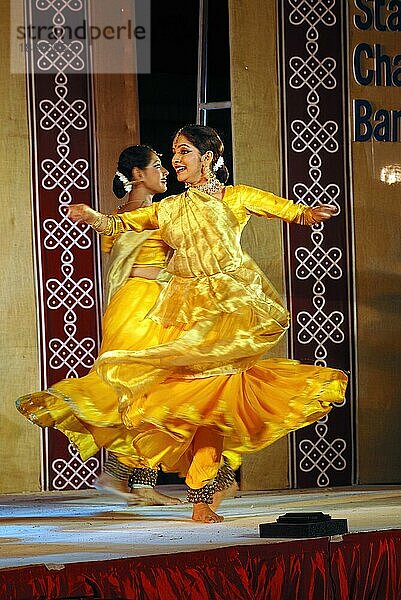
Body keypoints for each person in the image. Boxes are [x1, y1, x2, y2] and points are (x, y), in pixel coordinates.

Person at [66, 124, 348, 524]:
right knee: (197, 402)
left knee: (215, 399)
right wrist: (94, 216)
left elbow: (282, 208)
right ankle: (190, 488)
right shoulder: (169, 207)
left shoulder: (234, 197)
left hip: (228, 306)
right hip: (183, 310)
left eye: (183, 152)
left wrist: (308, 214)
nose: (175, 160)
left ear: (207, 157)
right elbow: (123, 224)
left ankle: (202, 494)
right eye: (173, 152)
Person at [17, 144, 181, 506]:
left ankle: (140, 482)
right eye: (157, 166)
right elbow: (147, 266)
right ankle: (117, 475)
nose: (165, 171)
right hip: (144, 304)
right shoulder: (155, 215)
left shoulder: (120, 216)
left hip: (131, 304)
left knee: (150, 390)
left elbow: (121, 258)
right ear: (137, 174)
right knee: (146, 386)